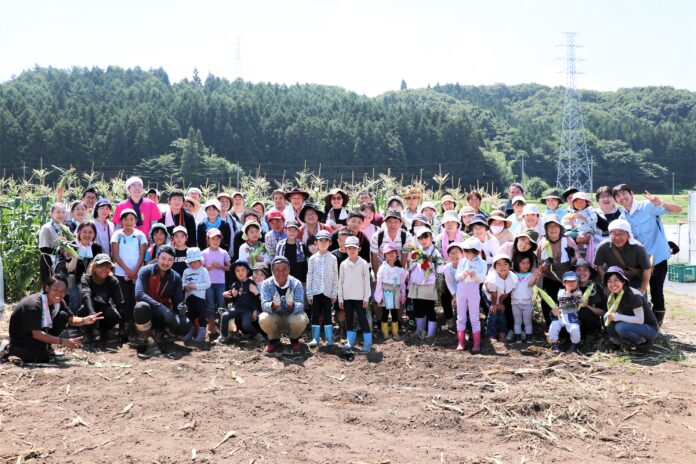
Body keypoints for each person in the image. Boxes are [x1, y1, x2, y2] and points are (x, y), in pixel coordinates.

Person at [613, 184, 682, 325]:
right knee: (638, 292)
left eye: (624, 193)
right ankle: (643, 321)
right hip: (638, 262)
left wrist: (661, 203)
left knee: (657, 292)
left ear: (631, 193)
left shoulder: (648, 206)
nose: (622, 198)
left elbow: (678, 210)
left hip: (658, 258)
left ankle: (657, 324)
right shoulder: (622, 218)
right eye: (618, 196)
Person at [6, 276, 102, 363]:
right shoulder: (33, 305)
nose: (59, 294)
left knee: (63, 315)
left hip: (37, 335)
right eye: (55, 289)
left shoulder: (59, 301)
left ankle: (45, 346)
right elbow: (37, 334)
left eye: (62, 291)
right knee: (40, 358)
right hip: (23, 338)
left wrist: (85, 320)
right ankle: (8, 348)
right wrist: (63, 341)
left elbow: (70, 319)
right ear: (47, 288)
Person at [133, 245, 192, 356]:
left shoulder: (176, 277)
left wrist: (181, 307)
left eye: (170, 260)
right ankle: (148, 340)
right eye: (163, 258)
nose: (166, 263)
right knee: (140, 307)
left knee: (185, 324)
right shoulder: (145, 271)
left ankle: (160, 332)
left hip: (164, 314)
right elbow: (139, 294)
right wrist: (161, 307)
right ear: (157, 257)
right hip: (148, 312)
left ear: (173, 261)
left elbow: (178, 300)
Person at [111, 208, 147, 342]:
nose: (128, 221)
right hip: (121, 273)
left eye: (131, 219)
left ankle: (134, 328)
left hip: (136, 274)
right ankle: (123, 328)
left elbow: (142, 255)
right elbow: (115, 254)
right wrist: (127, 270)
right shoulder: (117, 235)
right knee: (123, 301)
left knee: (134, 300)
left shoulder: (140, 235)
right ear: (121, 221)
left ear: (136, 220)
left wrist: (135, 271)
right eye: (125, 219)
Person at [258, 256, 308, 353]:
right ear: (272, 270)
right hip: (275, 319)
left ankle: (294, 339)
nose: (281, 273)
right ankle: (274, 340)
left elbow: (301, 306)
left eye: (284, 269)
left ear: (289, 269)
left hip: (291, 319)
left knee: (300, 318)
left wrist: (292, 304)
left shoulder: (296, 283)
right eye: (277, 270)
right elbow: (264, 305)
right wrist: (273, 305)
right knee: (264, 317)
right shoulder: (266, 284)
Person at [603, 266, 659, 353]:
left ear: (623, 281)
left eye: (616, 280)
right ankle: (616, 342)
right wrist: (616, 317)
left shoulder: (633, 295)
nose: (613, 284)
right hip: (632, 324)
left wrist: (619, 317)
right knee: (607, 316)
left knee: (620, 327)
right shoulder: (612, 294)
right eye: (609, 281)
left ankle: (642, 342)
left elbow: (640, 320)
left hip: (648, 328)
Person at [536, 216, 579, 326]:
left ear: (560, 228)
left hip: (566, 278)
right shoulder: (542, 243)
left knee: (566, 302)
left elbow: (577, 263)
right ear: (546, 229)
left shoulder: (568, 241)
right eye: (550, 226)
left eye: (555, 226)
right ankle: (551, 326)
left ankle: (568, 326)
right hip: (549, 276)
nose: (553, 229)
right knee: (547, 302)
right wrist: (546, 264)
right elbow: (539, 266)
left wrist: (572, 256)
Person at [594, 219, 652, 293]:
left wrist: (642, 289)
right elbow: (598, 265)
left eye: (621, 234)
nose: (617, 237)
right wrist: (606, 283)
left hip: (633, 281)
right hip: (612, 282)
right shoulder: (603, 246)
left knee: (637, 302)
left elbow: (647, 269)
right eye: (614, 234)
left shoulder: (638, 248)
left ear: (628, 234)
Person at [56, 222, 102, 311]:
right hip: (69, 276)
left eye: (90, 232)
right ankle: (72, 320)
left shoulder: (96, 247)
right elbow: (70, 268)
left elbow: (91, 266)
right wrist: (75, 256)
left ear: (94, 234)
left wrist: (86, 282)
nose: (87, 235)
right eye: (84, 232)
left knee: (87, 294)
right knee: (75, 296)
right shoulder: (71, 245)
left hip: (85, 276)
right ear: (79, 232)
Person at [79, 254, 123, 345]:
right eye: (101, 267)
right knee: (82, 312)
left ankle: (104, 330)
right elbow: (86, 295)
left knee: (114, 315)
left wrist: (122, 328)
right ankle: (88, 332)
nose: (104, 270)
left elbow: (119, 302)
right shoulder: (86, 278)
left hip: (104, 308)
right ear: (94, 267)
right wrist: (92, 313)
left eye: (107, 267)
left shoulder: (113, 281)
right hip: (89, 307)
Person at [338, 236, 373, 352]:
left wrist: (366, 297)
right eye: (349, 248)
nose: (352, 250)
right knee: (349, 319)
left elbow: (367, 282)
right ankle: (350, 341)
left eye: (354, 248)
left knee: (363, 319)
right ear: (345, 249)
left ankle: (368, 342)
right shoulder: (343, 264)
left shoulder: (363, 264)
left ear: (359, 249)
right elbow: (340, 282)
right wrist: (341, 298)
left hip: (359, 297)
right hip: (347, 297)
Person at [407, 227, 443, 339]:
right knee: (418, 308)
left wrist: (429, 264)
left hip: (428, 284)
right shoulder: (418, 251)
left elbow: (440, 268)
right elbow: (412, 265)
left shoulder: (434, 251)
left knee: (428, 309)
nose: (423, 240)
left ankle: (431, 333)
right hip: (417, 284)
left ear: (431, 237)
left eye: (426, 237)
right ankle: (419, 330)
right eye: (420, 238)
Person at [306, 230, 338, 348]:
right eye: (320, 241)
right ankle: (315, 338)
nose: (323, 243)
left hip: (328, 292)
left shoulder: (333, 258)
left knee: (328, 315)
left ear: (330, 243)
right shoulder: (313, 259)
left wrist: (334, 293)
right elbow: (309, 275)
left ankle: (329, 339)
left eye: (326, 241)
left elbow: (335, 276)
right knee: (315, 314)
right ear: (316, 243)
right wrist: (309, 293)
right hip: (316, 291)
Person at [455, 237, 487, 353]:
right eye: (465, 250)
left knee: (474, 317)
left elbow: (482, 278)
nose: (466, 253)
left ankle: (476, 344)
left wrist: (475, 276)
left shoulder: (482, 263)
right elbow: (456, 276)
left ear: (477, 252)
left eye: (469, 251)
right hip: (461, 290)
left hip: (473, 291)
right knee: (461, 317)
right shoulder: (462, 261)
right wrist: (462, 275)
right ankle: (461, 342)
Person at [435, 211, 466, 328]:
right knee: (445, 293)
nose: (449, 224)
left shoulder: (465, 237)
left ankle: (464, 317)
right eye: (447, 222)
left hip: (463, 269)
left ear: (457, 224)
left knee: (463, 292)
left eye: (452, 221)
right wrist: (448, 264)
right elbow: (437, 256)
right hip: (446, 269)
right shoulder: (438, 239)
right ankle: (449, 317)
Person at [221, 260, 263, 343]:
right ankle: (224, 336)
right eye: (237, 271)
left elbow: (254, 298)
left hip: (248, 309)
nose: (240, 273)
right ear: (235, 272)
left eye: (243, 270)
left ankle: (257, 335)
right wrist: (233, 295)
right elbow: (231, 300)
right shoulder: (234, 284)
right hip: (237, 307)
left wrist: (255, 309)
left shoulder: (251, 283)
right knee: (224, 315)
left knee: (246, 324)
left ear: (247, 271)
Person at [374, 242, 407, 340]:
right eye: (388, 253)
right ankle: (385, 332)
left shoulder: (399, 268)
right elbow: (379, 283)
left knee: (394, 312)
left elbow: (402, 283)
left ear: (397, 253)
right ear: (384, 256)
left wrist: (403, 294)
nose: (391, 254)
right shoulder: (382, 268)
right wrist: (378, 296)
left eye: (393, 252)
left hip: (396, 290)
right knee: (385, 312)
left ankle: (395, 331)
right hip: (386, 291)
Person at [202, 228, 231, 336]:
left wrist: (221, 267)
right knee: (209, 304)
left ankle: (223, 326)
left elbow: (230, 267)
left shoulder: (223, 252)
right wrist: (209, 268)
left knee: (221, 303)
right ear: (208, 240)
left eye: (217, 239)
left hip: (220, 282)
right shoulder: (204, 253)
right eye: (213, 239)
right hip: (208, 283)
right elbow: (200, 269)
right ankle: (211, 326)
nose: (215, 241)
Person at [547, 271, 583, 355]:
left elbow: (576, 301)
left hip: (572, 316)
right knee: (553, 327)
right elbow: (561, 300)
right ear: (564, 283)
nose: (571, 283)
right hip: (561, 315)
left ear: (577, 282)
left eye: (574, 281)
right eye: (568, 281)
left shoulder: (578, 293)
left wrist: (571, 295)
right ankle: (554, 344)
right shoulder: (560, 292)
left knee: (575, 328)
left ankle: (574, 345)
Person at [484, 254, 516, 344]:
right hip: (490, 295)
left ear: (509, 265)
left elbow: (507, 292)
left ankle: (502, 333)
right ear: (495, 267)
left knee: (501, 312)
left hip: (501, 295)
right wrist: (494, 304)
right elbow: (493, 293)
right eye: (499, 264)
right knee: (493, 312)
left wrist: (500, 302)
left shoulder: (512, 278)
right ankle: (491, 334)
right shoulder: (492, 278)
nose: (503, 267)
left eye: (505, 264)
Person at [182, 247, 211, 343]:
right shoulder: (186, 271)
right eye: (190, 262)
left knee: (201, 315)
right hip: (189, 297)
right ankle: (190, 332)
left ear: (200, 261)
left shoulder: (203, 270)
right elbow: (182, 283)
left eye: (195, 262)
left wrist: (196, 286)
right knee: (189, 315)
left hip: (200, 297)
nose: (193, 264)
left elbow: (208, 284)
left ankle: (202, 333)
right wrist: (184, 287)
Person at [510, 256, 541, 344]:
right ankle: (518, 339)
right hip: (515, 303)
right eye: (523, 263)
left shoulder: (530, 275)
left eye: (528, 263)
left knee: (527, 321)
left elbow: (531, 283)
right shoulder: (513, 275)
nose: (526, 265)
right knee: (517, 321)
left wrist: (536, 276)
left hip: (527, 303)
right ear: (517, 264)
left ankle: (529, 338)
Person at [573, 259, 606, 341]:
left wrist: (587, 306)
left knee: (584, 311)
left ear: (590, 273)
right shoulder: (569, 287)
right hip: (572, 323)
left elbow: (602, 312)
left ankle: (590, 337)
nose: (582, 273)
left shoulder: (596, 288)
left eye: (585, 270)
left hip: (591, 324)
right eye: (578, 270)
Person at [39, 202, 69, 284]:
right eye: (58, 212)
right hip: (48, 260)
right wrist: (61, 252)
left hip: (61, 262)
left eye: (63, 212)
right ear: (51, 213)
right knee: (49, 286)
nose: (61, 214)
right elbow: (44, 249)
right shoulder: (46, 227)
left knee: (60, 286)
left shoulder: (64, 228)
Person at [562, 192, 598, 260]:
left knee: (568, 235)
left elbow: (595, 219)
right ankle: (573, 253)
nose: (579, 204)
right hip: (580, 232)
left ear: (586, 202)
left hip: (589, 232)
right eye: (576, 202)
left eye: (581, 202)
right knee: (566, 235)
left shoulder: (590, 209)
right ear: (573, 204)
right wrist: (572, 223)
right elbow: (577, 227)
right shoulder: (575, 213)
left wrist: (583, 218)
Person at [276, 220, 309, 284]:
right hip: (284, 279)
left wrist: (304, 280)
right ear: (285, 231)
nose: (292, 232)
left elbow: (305, 264)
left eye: (294, 230)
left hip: (299, 279)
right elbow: (276, 262)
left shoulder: (301, 245)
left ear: (298, 232)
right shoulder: (280, 245)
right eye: (290, 230)